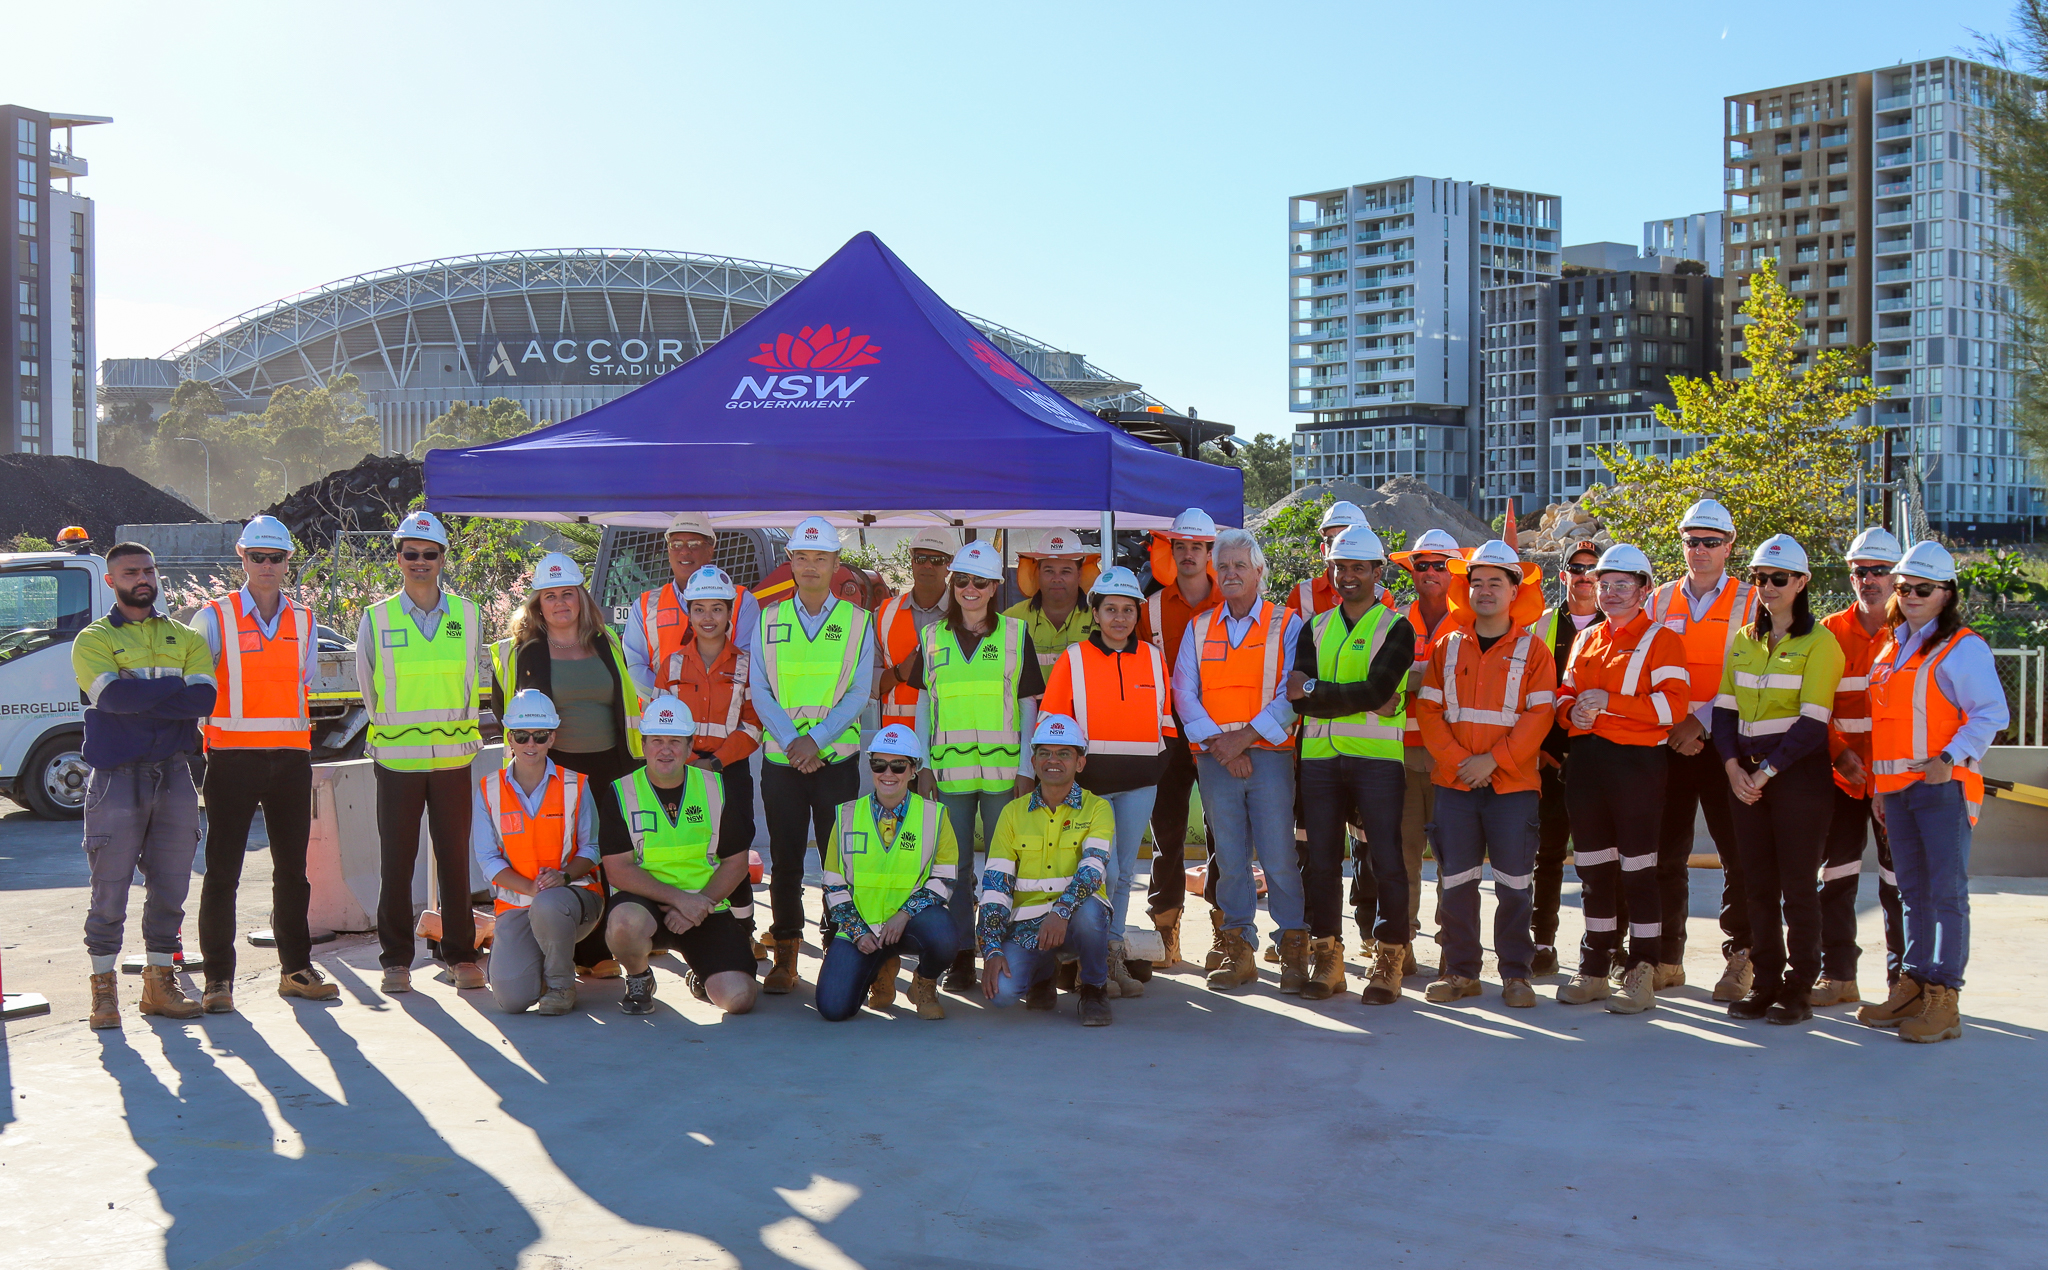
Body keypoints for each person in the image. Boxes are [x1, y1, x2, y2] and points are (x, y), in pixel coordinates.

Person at [1855, 541, 2006, 1044]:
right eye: (1904, 587)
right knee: (1911, 893)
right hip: (1897, 792)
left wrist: (1949, 759)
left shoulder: (1963, 647)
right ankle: (1916, 985)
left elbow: (1990, 714)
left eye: (1924, 588)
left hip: (1942, 788)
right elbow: (1888, 726)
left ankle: (1945, 997)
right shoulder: (1892, 645)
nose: (1911, 595)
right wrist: (1880, 786)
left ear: (1947, 594)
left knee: (1945, 894)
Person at [192, 515, 338, 1012]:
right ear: (242, 556)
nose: (268, 566)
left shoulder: (305, 620)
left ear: (288, 561)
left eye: (277, 558)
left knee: (293, 872)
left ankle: (295, 969)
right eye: (259, 557)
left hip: (292, 760)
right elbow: (195, 689)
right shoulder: (214, 617)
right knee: (222, 872)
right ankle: (218, 981)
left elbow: (304, 685)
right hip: (231, 759)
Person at [73, 542, 218, 1028]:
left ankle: (159, 984)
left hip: (175, 774)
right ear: (112, 581)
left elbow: (205, 699)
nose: (143, 578)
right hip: (116, 779)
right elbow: (110, 698)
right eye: (131, 572)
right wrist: (172, 691)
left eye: (149, 570)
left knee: (171, 887)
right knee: (109, 889)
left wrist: (143, 693)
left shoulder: (184, 635)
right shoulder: (91, 640)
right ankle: (104, 993)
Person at [1415, 540, 1556, 1008]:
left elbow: (1539, 718)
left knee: (1515, 884)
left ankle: (1516, 975)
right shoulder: (1447, 648)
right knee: (1456, 882)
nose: (1484, 591)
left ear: (1515, 590)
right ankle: (1460, 972)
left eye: (1495, 582)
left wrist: (1491, 762)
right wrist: (1461, 762)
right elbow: (1429, 712)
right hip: (1455, 784)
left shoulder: (1535, 652)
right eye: (1476, 582)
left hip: (1512, 786)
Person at [489, 552, 643, 977]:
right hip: (554, 769)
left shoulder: (608, 642)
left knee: (613, 856)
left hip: (612, 766)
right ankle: (586, 953)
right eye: (550, 595)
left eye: (568, 594)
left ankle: (615, 939)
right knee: (567, 855)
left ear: (582, 598)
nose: (560, 603)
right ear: (538, 603)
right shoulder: (521, 653)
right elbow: (507, 714)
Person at [1552, 543, 1689, 1014]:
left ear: (1645, 589)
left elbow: (1672, 708)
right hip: (1587, 766)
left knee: (1638, 871)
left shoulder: (1662, 640)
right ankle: (1594, 966)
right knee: (1592, 871)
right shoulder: (1587, 639)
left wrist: (1606, 706)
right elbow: (1564, 696)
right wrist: (1575, 713)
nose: (1609, 593)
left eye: (1621, 585)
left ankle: (1642, 969)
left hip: (1636, 770)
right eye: (1603, 585)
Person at [1712, 536, 1845, 1025]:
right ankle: (1765, 983)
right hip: (1745, 775)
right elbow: (1723, 711)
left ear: (1802, 582)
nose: (1766, 587)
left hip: (1795, 778)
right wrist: (1731, 767)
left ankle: (1798, 989)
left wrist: (1764, 773)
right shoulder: (1745, 639)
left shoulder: (1820, 643)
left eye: (1778, 578)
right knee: (1757, 886)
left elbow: (1812, 723)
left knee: (1797, 887)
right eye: (1759, 578)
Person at [356, 511, 484, 996]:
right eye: (411, 553)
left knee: (454, 861)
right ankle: (396, 961)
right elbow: (369, 690)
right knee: (398, 862)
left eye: (429, 554)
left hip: (452, 760)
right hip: (398, 763)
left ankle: (461, 955)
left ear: (442, 559)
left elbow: (475, 682)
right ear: (398, 557)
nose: (420, 562)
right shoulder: (376, 618)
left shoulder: (467, 616)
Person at [907, 540, 1043, 992]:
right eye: (961, 580)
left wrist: (1027, 766)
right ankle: (964, 953)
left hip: (1005, 774)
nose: (968, 589)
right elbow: (925, 704)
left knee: (1006, 865)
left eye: (978, 582)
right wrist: (922, 765)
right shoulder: (931, 637)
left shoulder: (1014, 635)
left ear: (994, 587)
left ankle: (1000, 947)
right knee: (957, 866)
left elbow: (1027, 706)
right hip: (949, 775)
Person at [1287, 523, 1413, 1003]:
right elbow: (1296, 699)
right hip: (1319, 761)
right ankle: (1329, 958)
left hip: (1377, 762)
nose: (1348, 576)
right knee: (1320, 864)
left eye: (1359, 567)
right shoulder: (1315, 626)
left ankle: (1387, 961)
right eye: (1341, 567)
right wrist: (1343, 698)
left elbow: (1379, 691)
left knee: (1387, 863)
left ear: (1378, 572)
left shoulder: (1395, 627)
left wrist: (1317, 691)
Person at [749, 516, 876, 994]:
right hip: (784, 763)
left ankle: (835, 946)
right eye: (801, 557)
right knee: (783, 862)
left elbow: (859, 692)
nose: (810, 566)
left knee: (836, 860)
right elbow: (759, 689)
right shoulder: (769, 618)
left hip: (834, 761)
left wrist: (816, 739)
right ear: (790, 562)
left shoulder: (857, 622)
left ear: (836, 564)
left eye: (820, 558)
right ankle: (786, 955)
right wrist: (791, 741)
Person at [1174, 527, 1304, 993]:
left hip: (1267, 757)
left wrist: (1242, 741)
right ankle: (1239, 952)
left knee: (1279, 857)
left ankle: (1292, 952)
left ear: (1259, 573)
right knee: (1228, 860)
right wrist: (1221, 747)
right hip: (1216, 761)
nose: (1229, 574)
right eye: (1223, 566)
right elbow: (1183, 693)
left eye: (1239, 566)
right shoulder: (1199, 626)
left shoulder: (1286, 624)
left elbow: (1292, 694)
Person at [1040, 565, 1172, 996]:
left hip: (1140, 785)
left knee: (1125, 871)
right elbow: (1052, 726)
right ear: (1094, 613)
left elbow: (1165, 722)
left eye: (1128, 610)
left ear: (1138, 613)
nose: (1120, 618)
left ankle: (1111, 956)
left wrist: (1157, 767)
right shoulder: (1073, 659)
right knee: (1104, 872)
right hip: (1090, 789)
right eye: (1110, 609)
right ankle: (1089, 960)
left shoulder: (1153, 659)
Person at [1647, 499, 1759, 1002]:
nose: (1701, 550)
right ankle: (1667, 959)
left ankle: (1743, 957)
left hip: (1727, 746)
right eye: (1692, 540)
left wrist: (1703, 720)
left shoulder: (1752, 601)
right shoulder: (1660, 599)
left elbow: (1753, 678)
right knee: (1663, 856)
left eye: (1711, 541)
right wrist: (1678, 726)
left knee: (1739, 855)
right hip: (1668, 741)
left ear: (1730, 546)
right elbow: (1645, 668)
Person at [604, 697, 760, 1017]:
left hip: (705, 905)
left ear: (690, 747)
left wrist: (698, 903)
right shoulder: (620, 791)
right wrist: (680, 900)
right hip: (647, 904)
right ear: (643, 744)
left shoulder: (716, 788)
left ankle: (701, 974)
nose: (665, 749)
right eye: (657, 741)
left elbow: (736, 861)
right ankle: (638, 978)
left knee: (740, 999)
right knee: (622, 925)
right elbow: (617, 870)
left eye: (675, 741)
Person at [1814, 527, 1907, 1006]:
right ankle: (1839, 976)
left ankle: (1901, 984)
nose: (1868, 579)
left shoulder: (1911, 632)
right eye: (1859, 571)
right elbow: (1811, 704)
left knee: (1898, 887)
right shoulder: (1829, 632)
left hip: (1896, 781)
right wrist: (1836, 751)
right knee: (1837, 879)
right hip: (1842, 779)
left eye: (1878, 571)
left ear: (1897, 577)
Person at [978, 713, 1116, 1026]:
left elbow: (1093, 870)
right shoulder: (1012, 813)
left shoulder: (1098, 808)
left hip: (1077, 915)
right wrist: (991, 949)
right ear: (1034, 760)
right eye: (1045, 753)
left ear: (1080, 762)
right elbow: (995, 887)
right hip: (1027, 923)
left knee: (1092, 915)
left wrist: (1061, 912)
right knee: (1001, 993)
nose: (1053, 761)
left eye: (1064, 753)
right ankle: (1044, 971)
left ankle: (1094, 989)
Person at [815, 725, 957, 1022]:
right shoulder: (846, 815)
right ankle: (881, 966)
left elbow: (944, 880)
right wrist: (856, 931)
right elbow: (832, 883)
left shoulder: (935, 815)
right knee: (833, 1008)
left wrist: (904, 913)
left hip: (909, 924)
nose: (888, 773)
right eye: (879, 764)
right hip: (862, 927)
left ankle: (924, 982)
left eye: (898, 765)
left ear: (914, 769)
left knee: (944, 936)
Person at [474, 690, 603, 1015]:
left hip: (572, 899)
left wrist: (563, 877)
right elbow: (488, 859)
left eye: (539, 735)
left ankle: (560, 986)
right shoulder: (489, 790)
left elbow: (593, 848)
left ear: (551, 738)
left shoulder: (574, 785)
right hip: (517, 905)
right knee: (513, 999)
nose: (530, 743)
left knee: (547, 905)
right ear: (510, 738)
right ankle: (536, 967)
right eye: (522, 735)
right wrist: (530, 888)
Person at [653, 565, 764, 940]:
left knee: (733, 852)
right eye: (699, 609)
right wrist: (687, 763)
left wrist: (714, 762)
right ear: (688, 612)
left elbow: (752, 726)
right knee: (698, 852)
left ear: (730, 612)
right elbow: (661, 723)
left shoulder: (747, 666)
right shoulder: (672, 665)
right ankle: (700, 932)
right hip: (682, 773)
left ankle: (744, 933)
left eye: (717, 608)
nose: (708, 618)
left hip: (728, 770)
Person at [1137, 508, 1225, 970]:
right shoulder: (1148, 608)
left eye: (1197, 547)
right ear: (1170, 552)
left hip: (1219, 737)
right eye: (1181, 546)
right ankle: (1164, 931)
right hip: (1167, 738)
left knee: (1223, 834)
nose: (1188, 554)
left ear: (1210, 552)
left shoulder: (1231, 603)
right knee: (1166, 835)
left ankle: (1224, 930)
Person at [1386, 526, 1470, 971]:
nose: (1432, 572)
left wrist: (1417, 677)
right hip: (1400, 755)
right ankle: (1401, 947)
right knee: (1402, 856)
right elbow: (1387, 682)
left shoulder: (1473, 622)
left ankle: (1452, 948)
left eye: (1441, 565)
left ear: (1456, 571)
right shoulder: (1396, 621)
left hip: (1451, 757)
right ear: (1412, 571)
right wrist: (1423, 676)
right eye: (1423, 565)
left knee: (1453, 859)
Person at [1531, 539, 1604, 975]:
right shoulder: (1541, 627)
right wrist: (1537, 749)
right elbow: (1528, 693)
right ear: (1564, 575)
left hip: (1600, 761)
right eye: (1576, 569)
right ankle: (1542, 942)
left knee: (1604, 859)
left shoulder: (1618, 625)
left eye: (1593, 569)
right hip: (1549, 761)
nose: (1585, 576)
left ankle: (1606, 946)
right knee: (1548, 856)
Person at [625, 512, 762, 691]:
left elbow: (747, 665)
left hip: (722, 714)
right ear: (668, 550)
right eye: (676, 544)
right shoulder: (645, 606)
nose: (684, 551)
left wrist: (703, 702)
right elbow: (635, 668)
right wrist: (673, 701)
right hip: (662, 714)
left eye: (694, 544)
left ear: (710, 550)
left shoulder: (742, 601)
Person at [873, 527, 959, 730]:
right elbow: (866, 682)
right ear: (911, 561)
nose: (928, 565)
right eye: (921, 558)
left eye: (937, 560)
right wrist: (900, 673)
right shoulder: (884, 614)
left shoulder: (965, 613)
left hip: (950, 736)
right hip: (898, 738)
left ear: (949, 566)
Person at [1004, 527, 1099, 671]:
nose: (1056, 579)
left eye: (1065, 571)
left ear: (1079, 573)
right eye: (1049, 571)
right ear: (1038, 572)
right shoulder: (1012, 619)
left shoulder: (1099, 619)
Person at [1286, 500, 1393, 617]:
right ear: (1323, 549)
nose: (1339, 547)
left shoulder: (1382, 596)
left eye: (1347, 539)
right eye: (1332, 541)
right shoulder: (1302, 594)